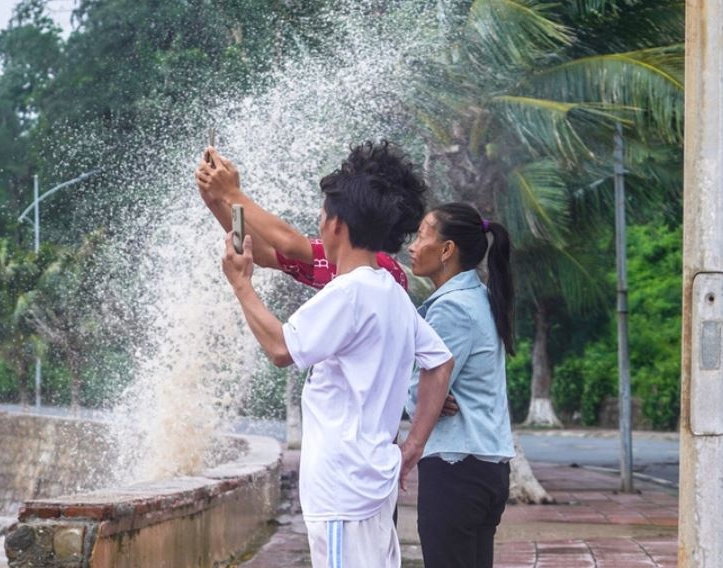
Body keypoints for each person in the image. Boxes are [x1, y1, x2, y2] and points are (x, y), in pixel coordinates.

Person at [217, 141, 454, 567]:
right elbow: (440, 362)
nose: (319, 224)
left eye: (322, 216)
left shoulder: (350, 292)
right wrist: (412, 447)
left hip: (343, 490)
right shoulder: (390, 292)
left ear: (338, 225)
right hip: (371, 480)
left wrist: (241, 284)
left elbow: (279, 347)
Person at [404, 202, 516, 568]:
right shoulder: (479, 298)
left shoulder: (451, 308)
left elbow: (424, 391)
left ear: (447, 250)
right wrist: (433, 392)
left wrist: (423, 392)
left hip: (457, 466)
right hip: (486, 464)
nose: (412, 246)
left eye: (422, 235)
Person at [194, 143, 421, 291]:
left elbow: (290, 245)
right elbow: (264, 253)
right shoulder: (355, 268)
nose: (322, 220)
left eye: (328, 213)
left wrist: (232, 194)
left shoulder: (379, 268)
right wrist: (215, 200)